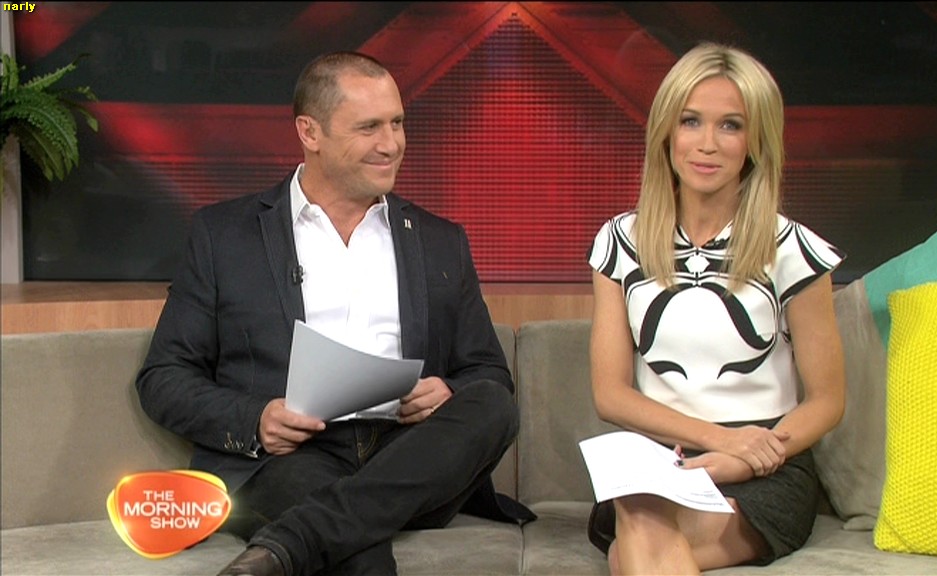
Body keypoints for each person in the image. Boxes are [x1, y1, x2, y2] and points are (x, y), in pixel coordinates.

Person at [135, 51, 534, 576]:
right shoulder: (224, 235)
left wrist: (447, 391)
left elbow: (489, 373)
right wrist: (255, 419)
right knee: (357, 551)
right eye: (369, 127)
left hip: (409, 454)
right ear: (310, 132)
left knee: (492, 405)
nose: (391, 144)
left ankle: (291, 542)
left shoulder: (440, 241)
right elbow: (163, 377)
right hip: (292, 459)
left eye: (397, 123)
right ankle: (330, 527)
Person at [585, 41, 846, 575]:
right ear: (666, 132)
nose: (707, 144)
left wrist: (744, 458)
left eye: (731, 125)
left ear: (755, 140)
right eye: (691, 121)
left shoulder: (794, 250)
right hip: (660, 460)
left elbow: (827, 401)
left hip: (766, 465)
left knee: (630, 553)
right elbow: (610, 395)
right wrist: (719, 441)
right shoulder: (620, 242)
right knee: (644, 515)